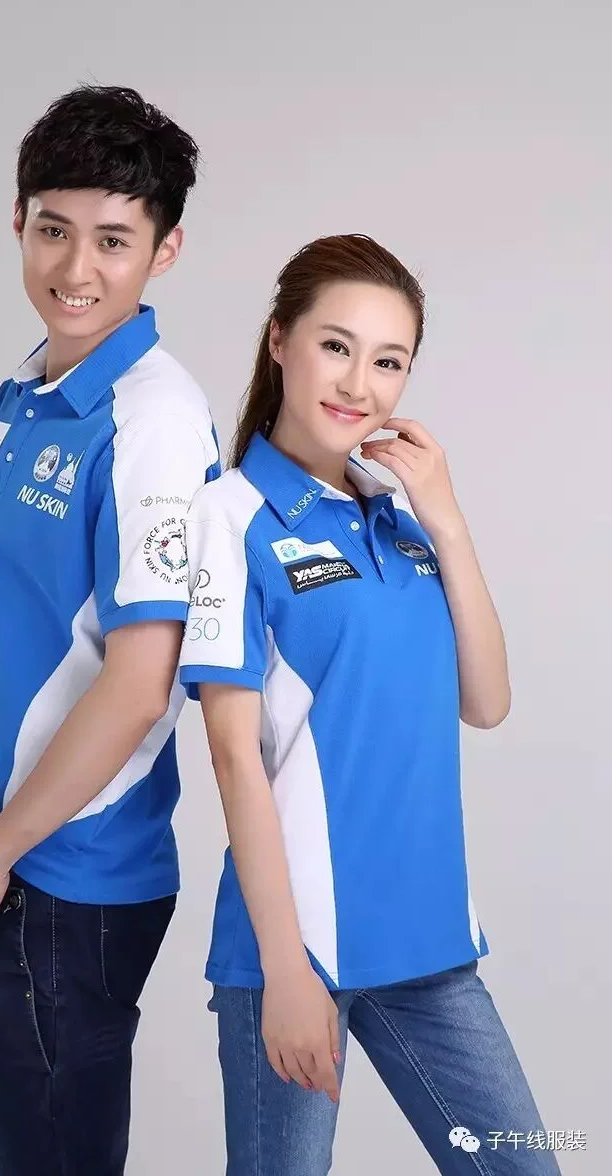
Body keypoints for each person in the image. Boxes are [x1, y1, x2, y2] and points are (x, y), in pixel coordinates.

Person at [178, 234, 560, 1174]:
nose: (360, 384)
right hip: (297, 949)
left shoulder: (401, 520)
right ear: (280, 341)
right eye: (336, 346)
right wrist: (285, 971)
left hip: (429, 943)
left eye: (389, 361)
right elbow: (232, 756)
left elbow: (488, 702)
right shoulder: (228, 515)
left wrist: (448, 521)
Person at [0, 85, 220, 1176]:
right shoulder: (28, 392)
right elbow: (16, 637)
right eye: (53, 229)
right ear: (18, 221)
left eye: (113, 240)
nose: (75, 267)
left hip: (65, 875)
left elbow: (139, 685)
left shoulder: (152, 421)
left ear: (164, 251)